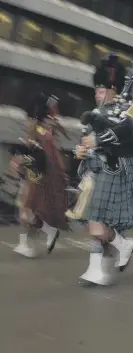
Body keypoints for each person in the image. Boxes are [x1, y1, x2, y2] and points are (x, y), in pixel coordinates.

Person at [74, 54, 133, 286]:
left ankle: (111, 256)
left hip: (113, 171)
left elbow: (128, 132)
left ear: (113, 89)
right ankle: (103, 263)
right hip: (95, 172)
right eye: (96, 89)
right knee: (94, 222)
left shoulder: (123, 111)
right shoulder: (96, 114)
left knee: (96, 221)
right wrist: (81, 150)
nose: (97, 93)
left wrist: (98, 140)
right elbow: (86, 140)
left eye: (102, 88)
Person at [10, 93, 69, 258]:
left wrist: (17, 161)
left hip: (33, 172)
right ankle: (29, 241)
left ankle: (39, 235)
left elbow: (27, 148)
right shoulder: (49, 126)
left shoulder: (34, 126)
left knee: (26, 208)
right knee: (32, 207)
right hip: (46, 173)